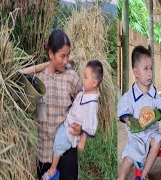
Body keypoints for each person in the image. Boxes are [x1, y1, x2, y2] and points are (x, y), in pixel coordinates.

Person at [21, 29, 83, 180]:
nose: (66, 61)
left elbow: (84, 103)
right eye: (62, 56)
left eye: (68, 56)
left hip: (66, 150)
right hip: (44, 149)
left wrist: (80, 125)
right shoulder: (38, 80)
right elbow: (18, 77)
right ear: (50, 54)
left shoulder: (71, 77)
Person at [41, 60, 103, 180]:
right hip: (66, 124)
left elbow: (90, 124)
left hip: (70, 128)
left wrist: (83, 140)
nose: (82, 80)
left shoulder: (91, 103)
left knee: (58, 145)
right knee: (57, 145)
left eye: (85, 77)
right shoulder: (87, 91)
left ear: (94, 82)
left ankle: (53, 171)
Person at [117, 45, 161, 180]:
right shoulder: (129, 96)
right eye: (145, 69)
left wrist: (158, 112)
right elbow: (123, 110)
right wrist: (128, 120)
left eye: (151, 68)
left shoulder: (153, 93)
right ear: (136, 72)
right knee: (130, 154)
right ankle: (121, 177)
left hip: (150, 132)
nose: (150, 73)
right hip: (136, 135)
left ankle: (143, 176)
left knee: (158, 141)